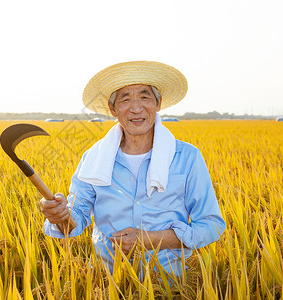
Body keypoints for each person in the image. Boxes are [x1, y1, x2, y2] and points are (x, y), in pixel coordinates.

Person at [40, 61, 226, 275]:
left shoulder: (187, 158)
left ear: (158, 103)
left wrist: (150, 240)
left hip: (170, 284)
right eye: (125, 99)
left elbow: (211, 225)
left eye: (145, 97)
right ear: (112, 109)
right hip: (107, 281)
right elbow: (76, 218)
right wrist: (60, 216)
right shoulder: (94, 158)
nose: (136, 108)